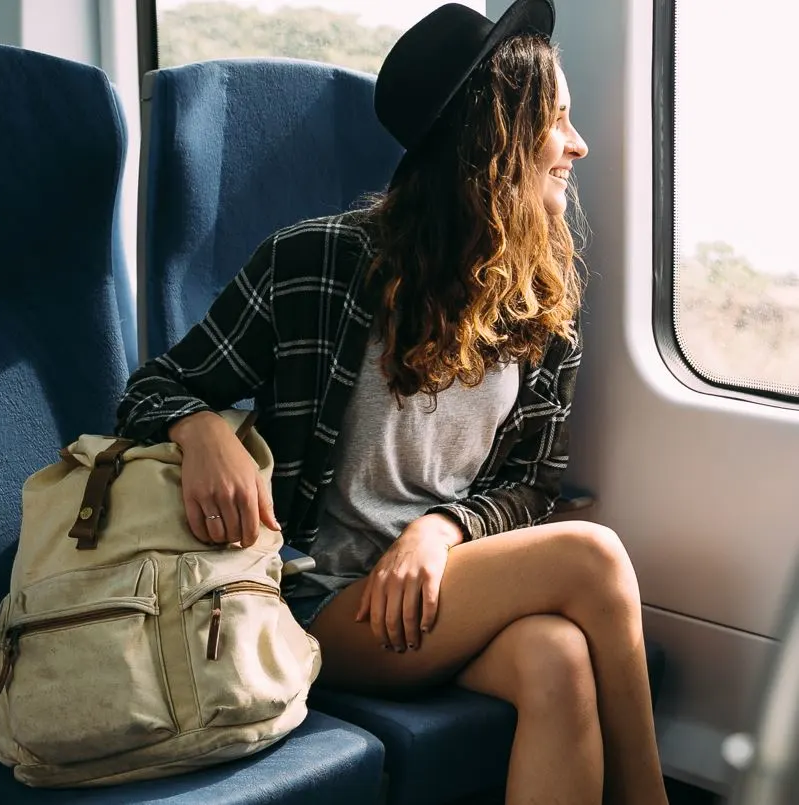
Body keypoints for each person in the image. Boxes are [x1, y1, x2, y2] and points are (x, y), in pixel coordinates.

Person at [117, 1, 669, 803]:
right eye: (557, 122)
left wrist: (440, 530)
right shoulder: (315, 263)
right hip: (319, 603)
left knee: (557, 658)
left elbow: (529, 485)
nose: (577, 146)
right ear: (493, 140)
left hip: (437, 594)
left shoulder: (539, 304)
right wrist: (200, 427)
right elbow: (153, 384)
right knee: (592, 557)